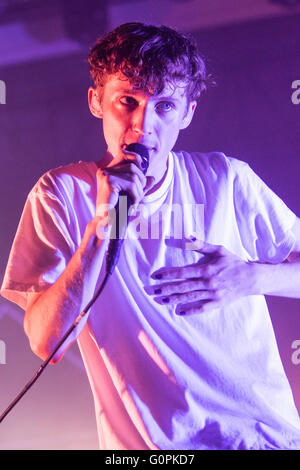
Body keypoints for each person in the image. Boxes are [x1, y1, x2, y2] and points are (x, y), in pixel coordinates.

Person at [1, 22, 300, 450]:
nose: (144, 125)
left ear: (188, 112)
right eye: (128, 101)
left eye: (164, 106)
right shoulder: (61, 195)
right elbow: (46, 341)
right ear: (96, 101)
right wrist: (104, 224)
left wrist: (251, 278)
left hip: (264, 439)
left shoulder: (226, 180)